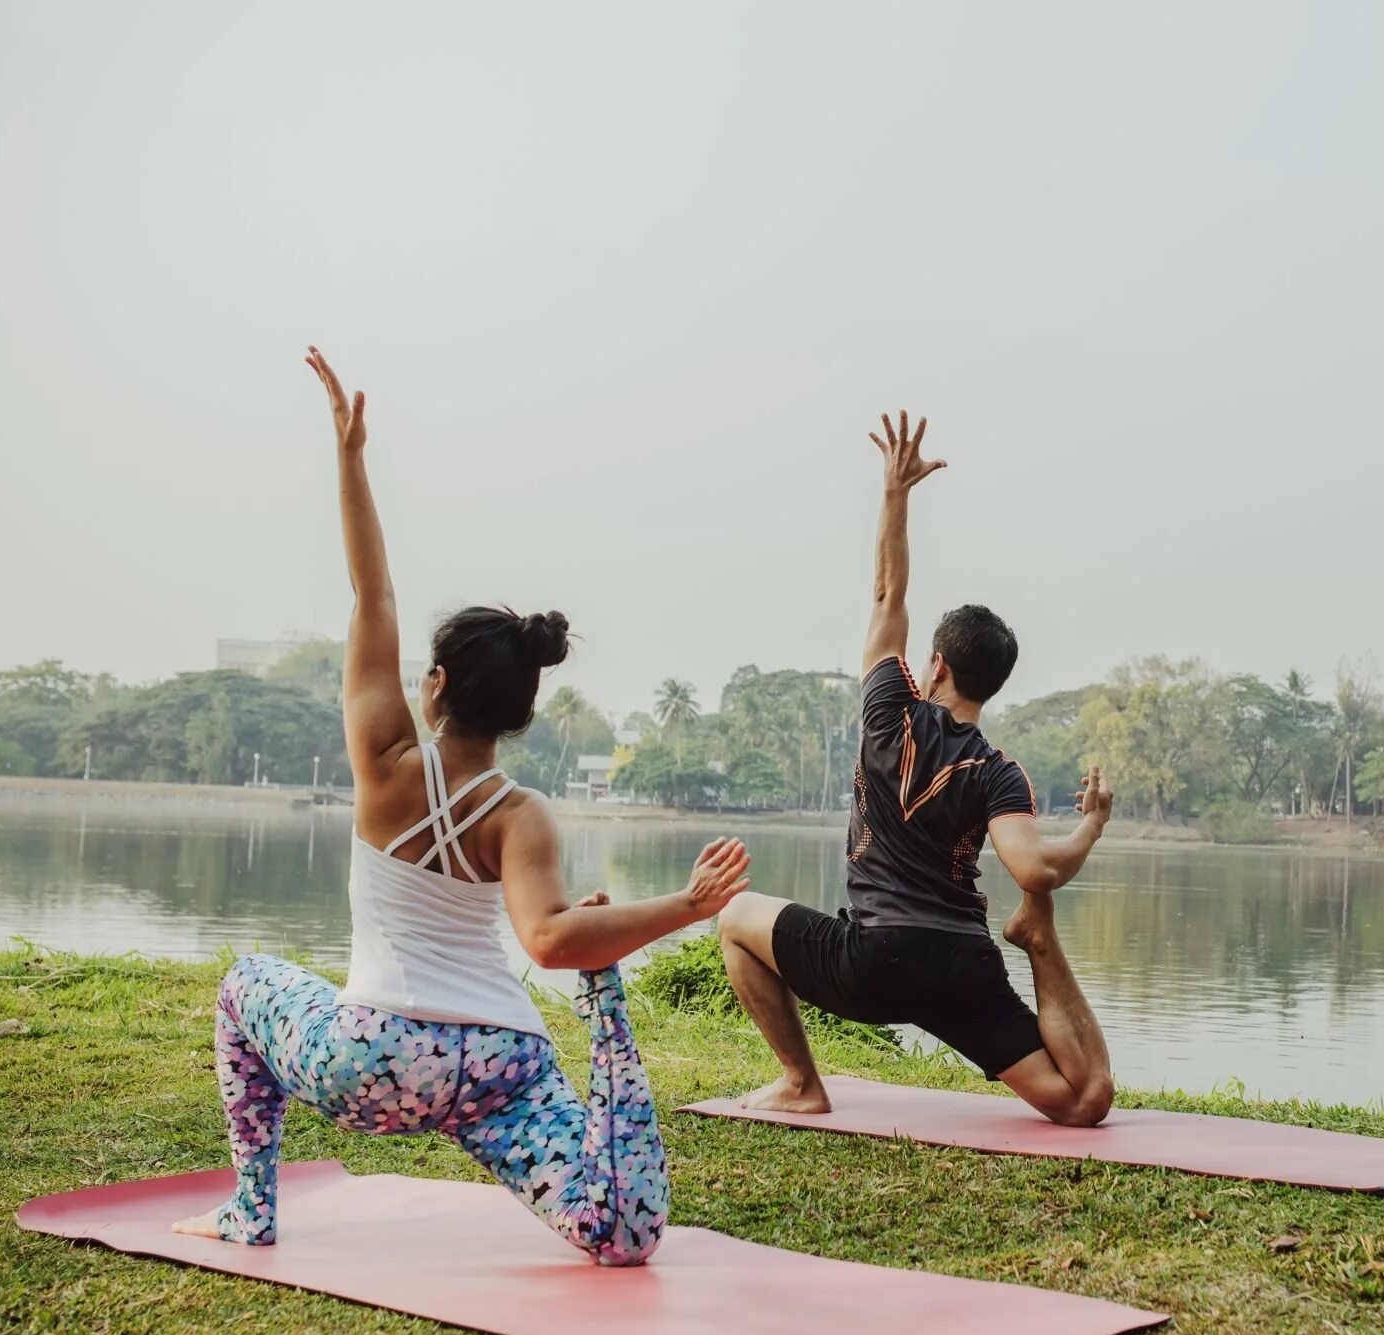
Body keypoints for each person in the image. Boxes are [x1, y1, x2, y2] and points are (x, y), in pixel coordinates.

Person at [171, 348, 753, 1266]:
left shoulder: (385, 761)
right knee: (621, 1240)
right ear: (525, 710)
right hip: (494, 1069)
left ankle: (251, 1207)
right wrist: (687, 907)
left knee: (246, 983)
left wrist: (350, 457)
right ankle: (610, 1016)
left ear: (434, 685)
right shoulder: (523, 816)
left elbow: (373, 596)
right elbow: (552, 942)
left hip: (368, 1064)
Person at [718, 411, 1116, 1127]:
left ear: (934, 664)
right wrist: (1089, 826)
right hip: (961, 966)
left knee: (735, 916)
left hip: (873, 962)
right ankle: (1041, 942)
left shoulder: (887, 712)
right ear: (993, 686)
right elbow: (1035, 872)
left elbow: (886, 595)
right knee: (1082, 1102)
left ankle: (800, 1082)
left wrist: (896, 493)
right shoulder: (1000, 771)